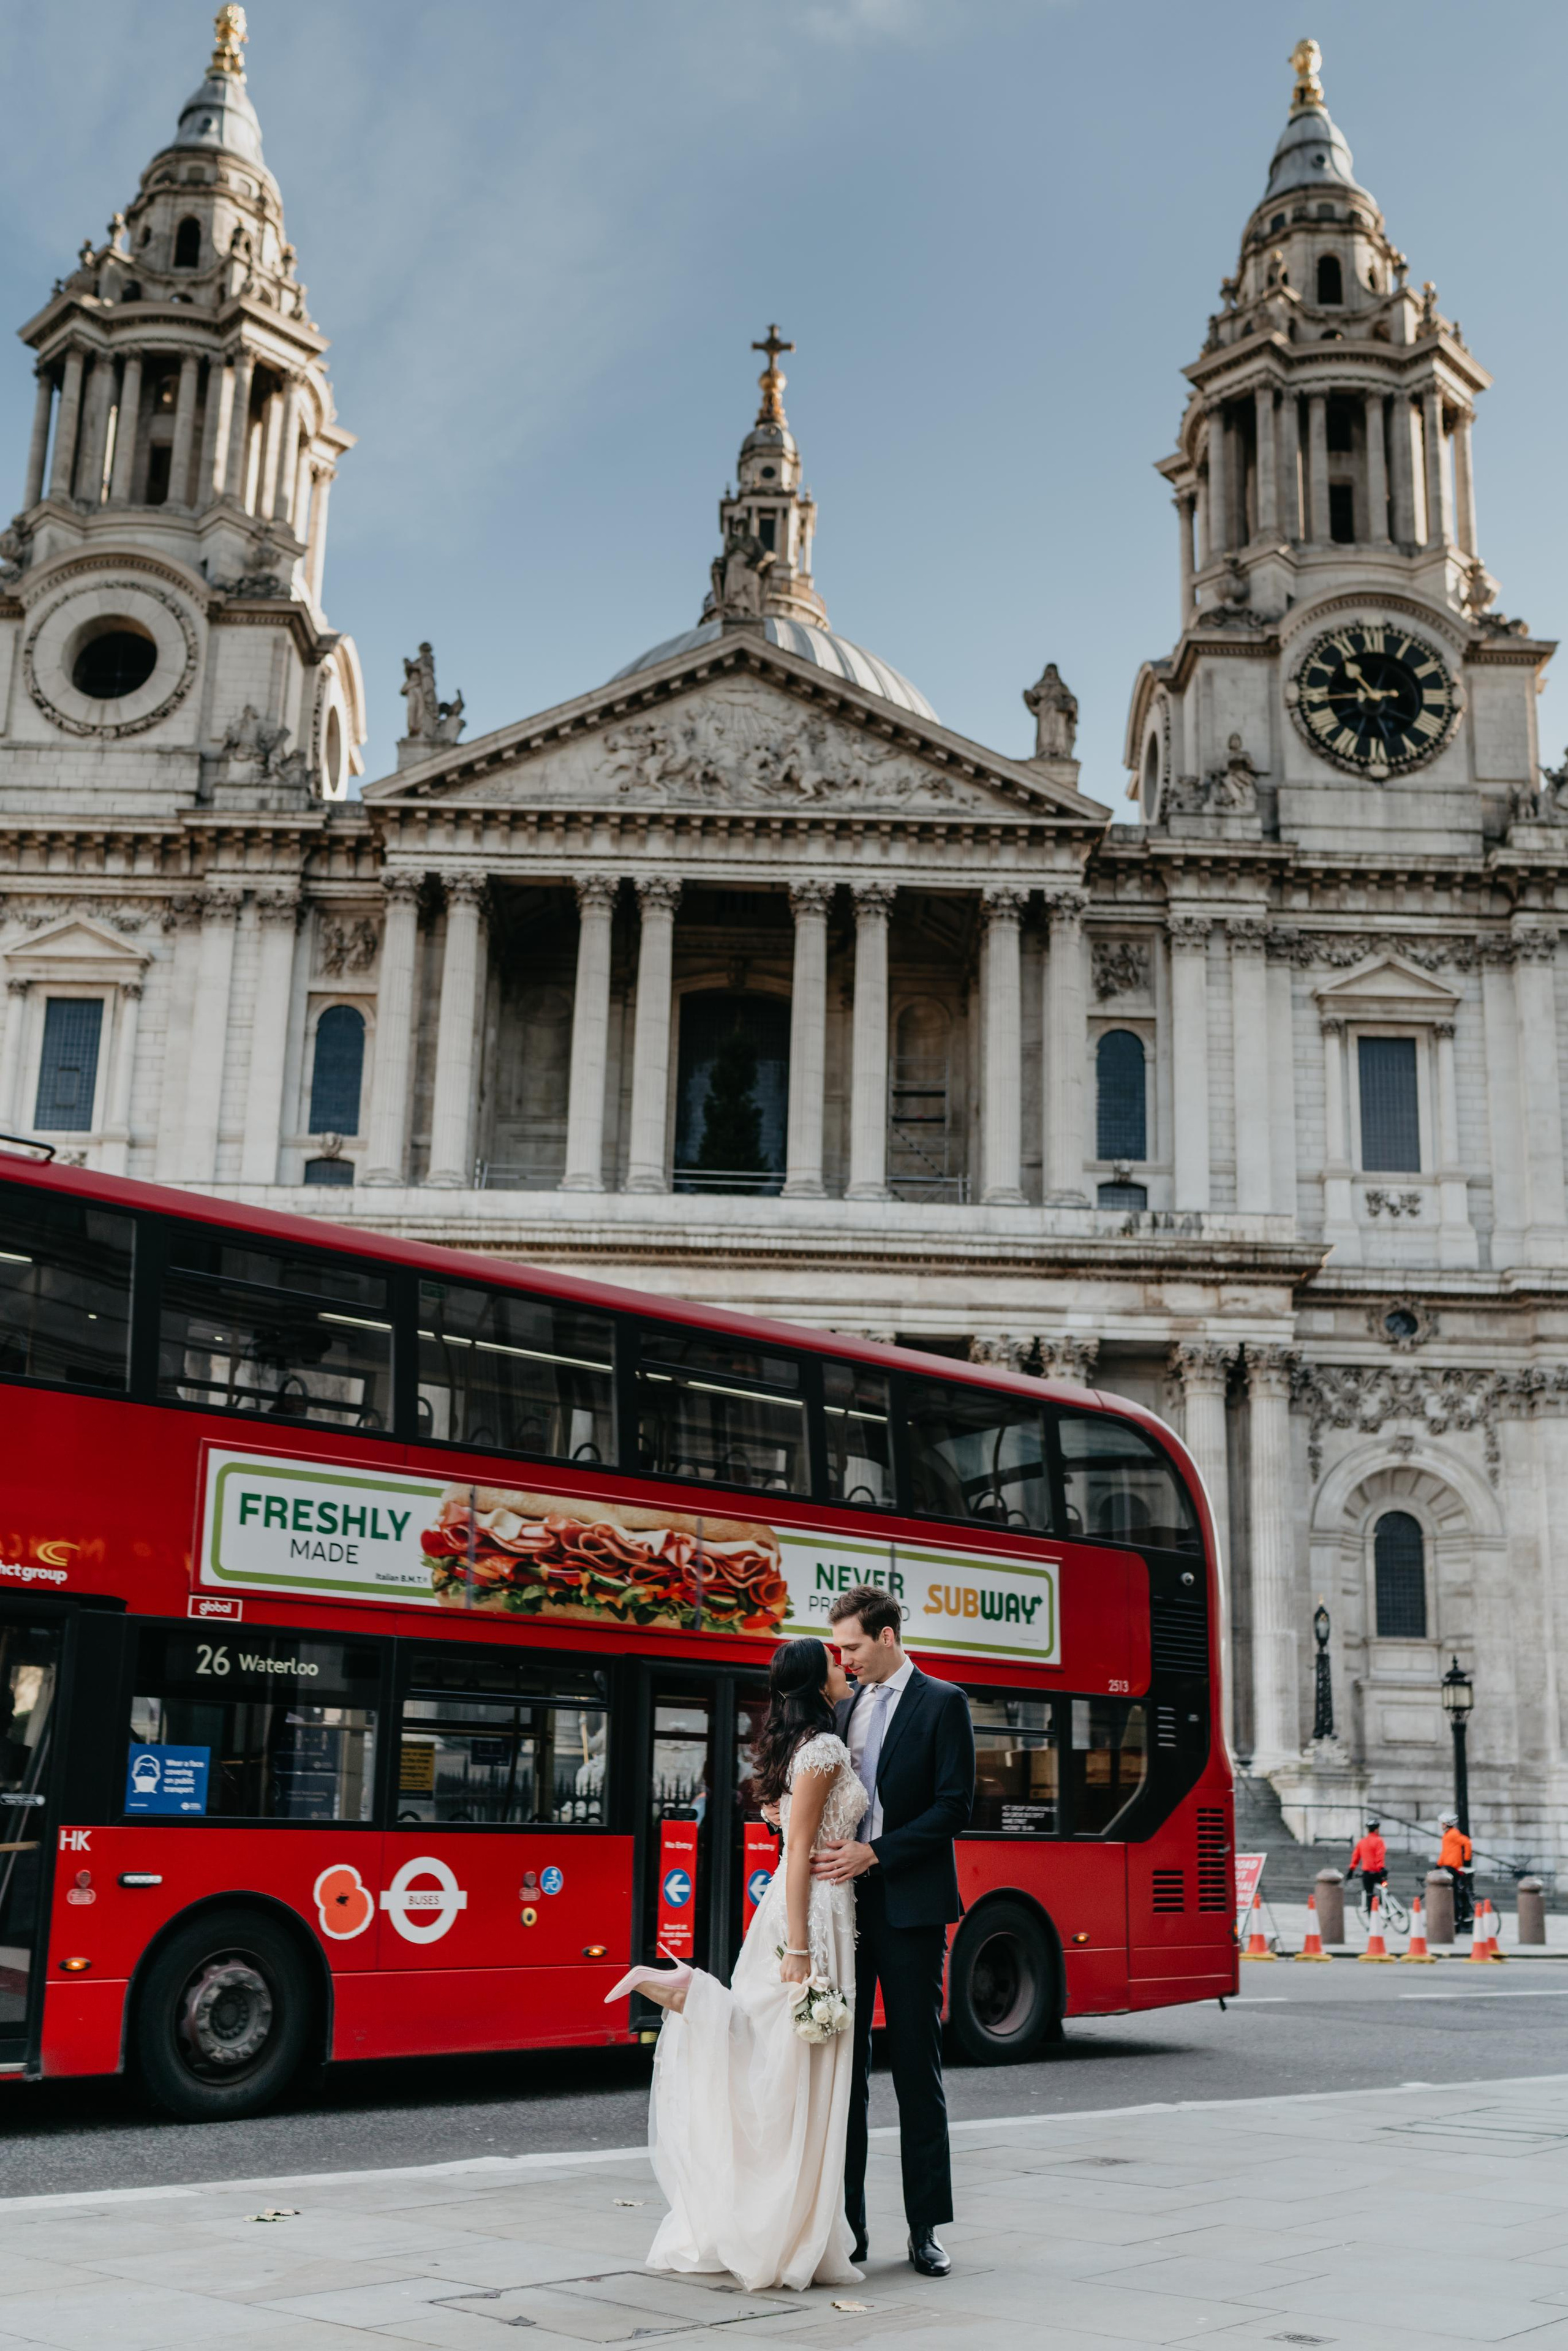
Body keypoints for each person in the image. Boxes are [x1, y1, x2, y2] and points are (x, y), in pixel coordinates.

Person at [605, 1636, 864, 2293]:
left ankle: (690, 1990)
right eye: (836, 1661)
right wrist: (802, 1949)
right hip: (812, 1910)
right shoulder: (826, 1747)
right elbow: (801, 1846)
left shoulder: (803, 1747)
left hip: (803, 1902)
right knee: (787, 2065)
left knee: (775, 2052)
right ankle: (689, 1989)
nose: (846, 1667)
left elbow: (786, 1823)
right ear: (817, 1678)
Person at [813, 1585, 976, 2281]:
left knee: (917, 2070)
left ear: (884, 1635)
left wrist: (876, 1852)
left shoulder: (944, 1702)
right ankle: (849, 2230)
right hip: (844, 1911)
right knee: (844, 2077)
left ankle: (924, 2229)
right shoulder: (842, 1710)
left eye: (850, 1646)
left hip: (910, 1907)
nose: (842, 1659)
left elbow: (953, 1806)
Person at [1438, 1810, 1475, 1930]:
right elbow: (1445, 1853)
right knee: (1455, 1892)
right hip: (1449, 1866)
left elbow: (1467, 1842)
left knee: (1453, 1893)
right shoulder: (1448, 1836)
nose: (1441, 1825)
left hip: (1453, 1867)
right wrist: (1438, 1864)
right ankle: (1460, 1916)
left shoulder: (1453, 1834)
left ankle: (1458, 1918)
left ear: (1447, 1824)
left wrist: (1467, 1860)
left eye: (1443, 1823)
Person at [1348, 1819, 1388, 1916]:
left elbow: (1356, 1857)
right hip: (1378, 1872)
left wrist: (1351, 1870)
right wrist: (1382, 1868)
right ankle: (1385, 1906)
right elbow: (1380, 1856)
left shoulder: (1362, 1842)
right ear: (1376, 1830)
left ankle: (1371, 1916)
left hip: (1367, 1874)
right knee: (1384, 1887)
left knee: (1369, 1894)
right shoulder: (1379, 1841)